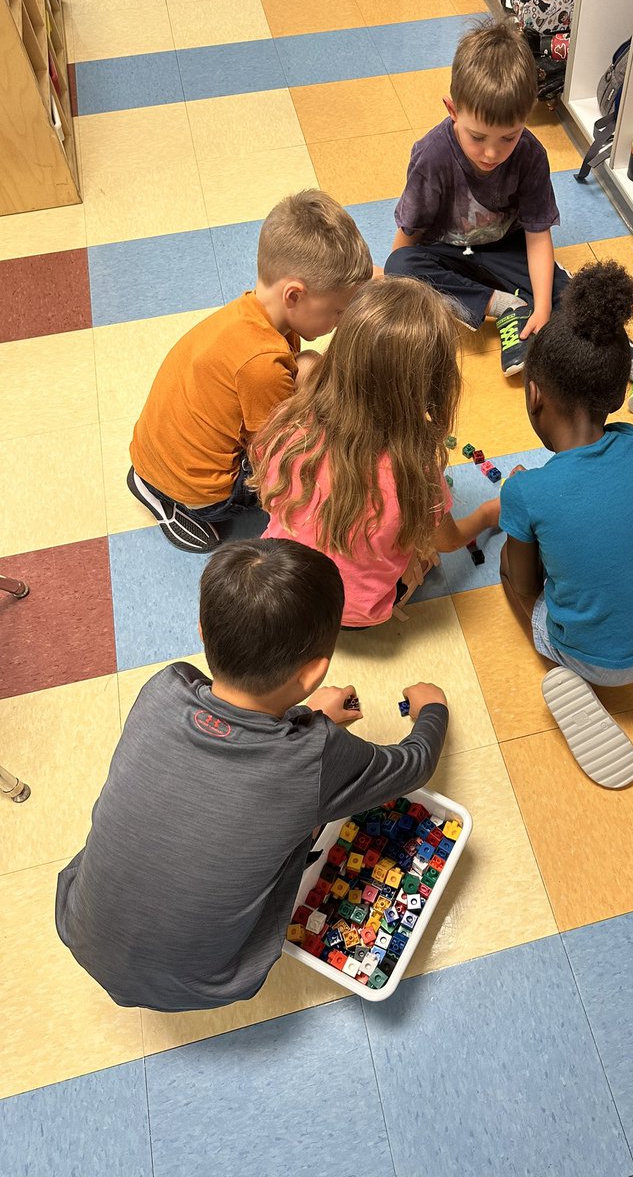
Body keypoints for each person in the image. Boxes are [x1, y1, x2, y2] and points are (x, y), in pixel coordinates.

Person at [55, 538, 449, 1012]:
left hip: (76, 926)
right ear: (315, 673)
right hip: (212, 981)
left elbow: (230, 743)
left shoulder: (163, 689)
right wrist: (433, 708)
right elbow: (415, 764)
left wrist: (304, 716)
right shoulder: (314, 755)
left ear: (203, 632)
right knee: (300, 822)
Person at [384, 16, 633, 405]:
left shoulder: (531, 154)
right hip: (447, 253)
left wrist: (541, 305)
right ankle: (505, 307)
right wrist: (392, 289)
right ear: (452, 110)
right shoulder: (432, 156)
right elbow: (409, 236)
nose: (491, 152)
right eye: (477, 137)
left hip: (507, 249)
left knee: (565, 293)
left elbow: (538, 237)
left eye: (508, 137)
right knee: (400, 267)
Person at [498, 261, 633, 788]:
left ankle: (563, 670)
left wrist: (520, 507)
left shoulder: (526, 489)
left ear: (534, 394)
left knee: (506, 565)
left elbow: (526, 584)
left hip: (600, 662)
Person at [127, 190, 373, 554]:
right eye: (337, 312)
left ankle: (157, 476)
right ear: (294, 295)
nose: (339, 323)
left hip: (166, 446)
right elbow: (274, 456)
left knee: (309, 367)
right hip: (201, 487)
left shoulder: (256, 314)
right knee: (316, 469)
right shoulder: (262, 365)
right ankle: (168, 498)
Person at [250, 277, 500, 629]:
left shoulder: (287, 421)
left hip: (284, 586)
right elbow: (449, 541)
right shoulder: (414, 474)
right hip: (354, 615)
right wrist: (489, 514)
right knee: (424, 552)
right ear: (431, 386)